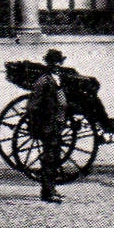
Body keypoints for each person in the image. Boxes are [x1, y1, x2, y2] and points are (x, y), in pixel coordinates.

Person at [27, 49, 70, 203]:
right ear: (49, 64)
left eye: (59, 62)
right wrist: (41, 124)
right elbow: (33, 106)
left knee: (54, 158)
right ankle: (48, 192)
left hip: (56, 124)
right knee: (49, 158)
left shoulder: (55, 80)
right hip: (48, 125)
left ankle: (51, 189)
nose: (57, 65)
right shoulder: (43, 81)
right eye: (54, 63)